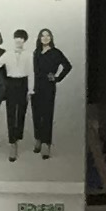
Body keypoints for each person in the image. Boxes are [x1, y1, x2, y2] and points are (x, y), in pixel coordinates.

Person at [27, 26, 73, 163]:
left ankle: (46, 144)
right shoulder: (36, 52)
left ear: (51, 38)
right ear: (39, 38)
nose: (45, 38)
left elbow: (68, 66)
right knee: (36, 114)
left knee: (47, 114)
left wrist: (57, 78)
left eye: (48, 35)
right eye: (43, 35)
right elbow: (32, 70)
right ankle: (38, 139)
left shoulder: (55, 52)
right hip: (36, 86)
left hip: (48, 86)